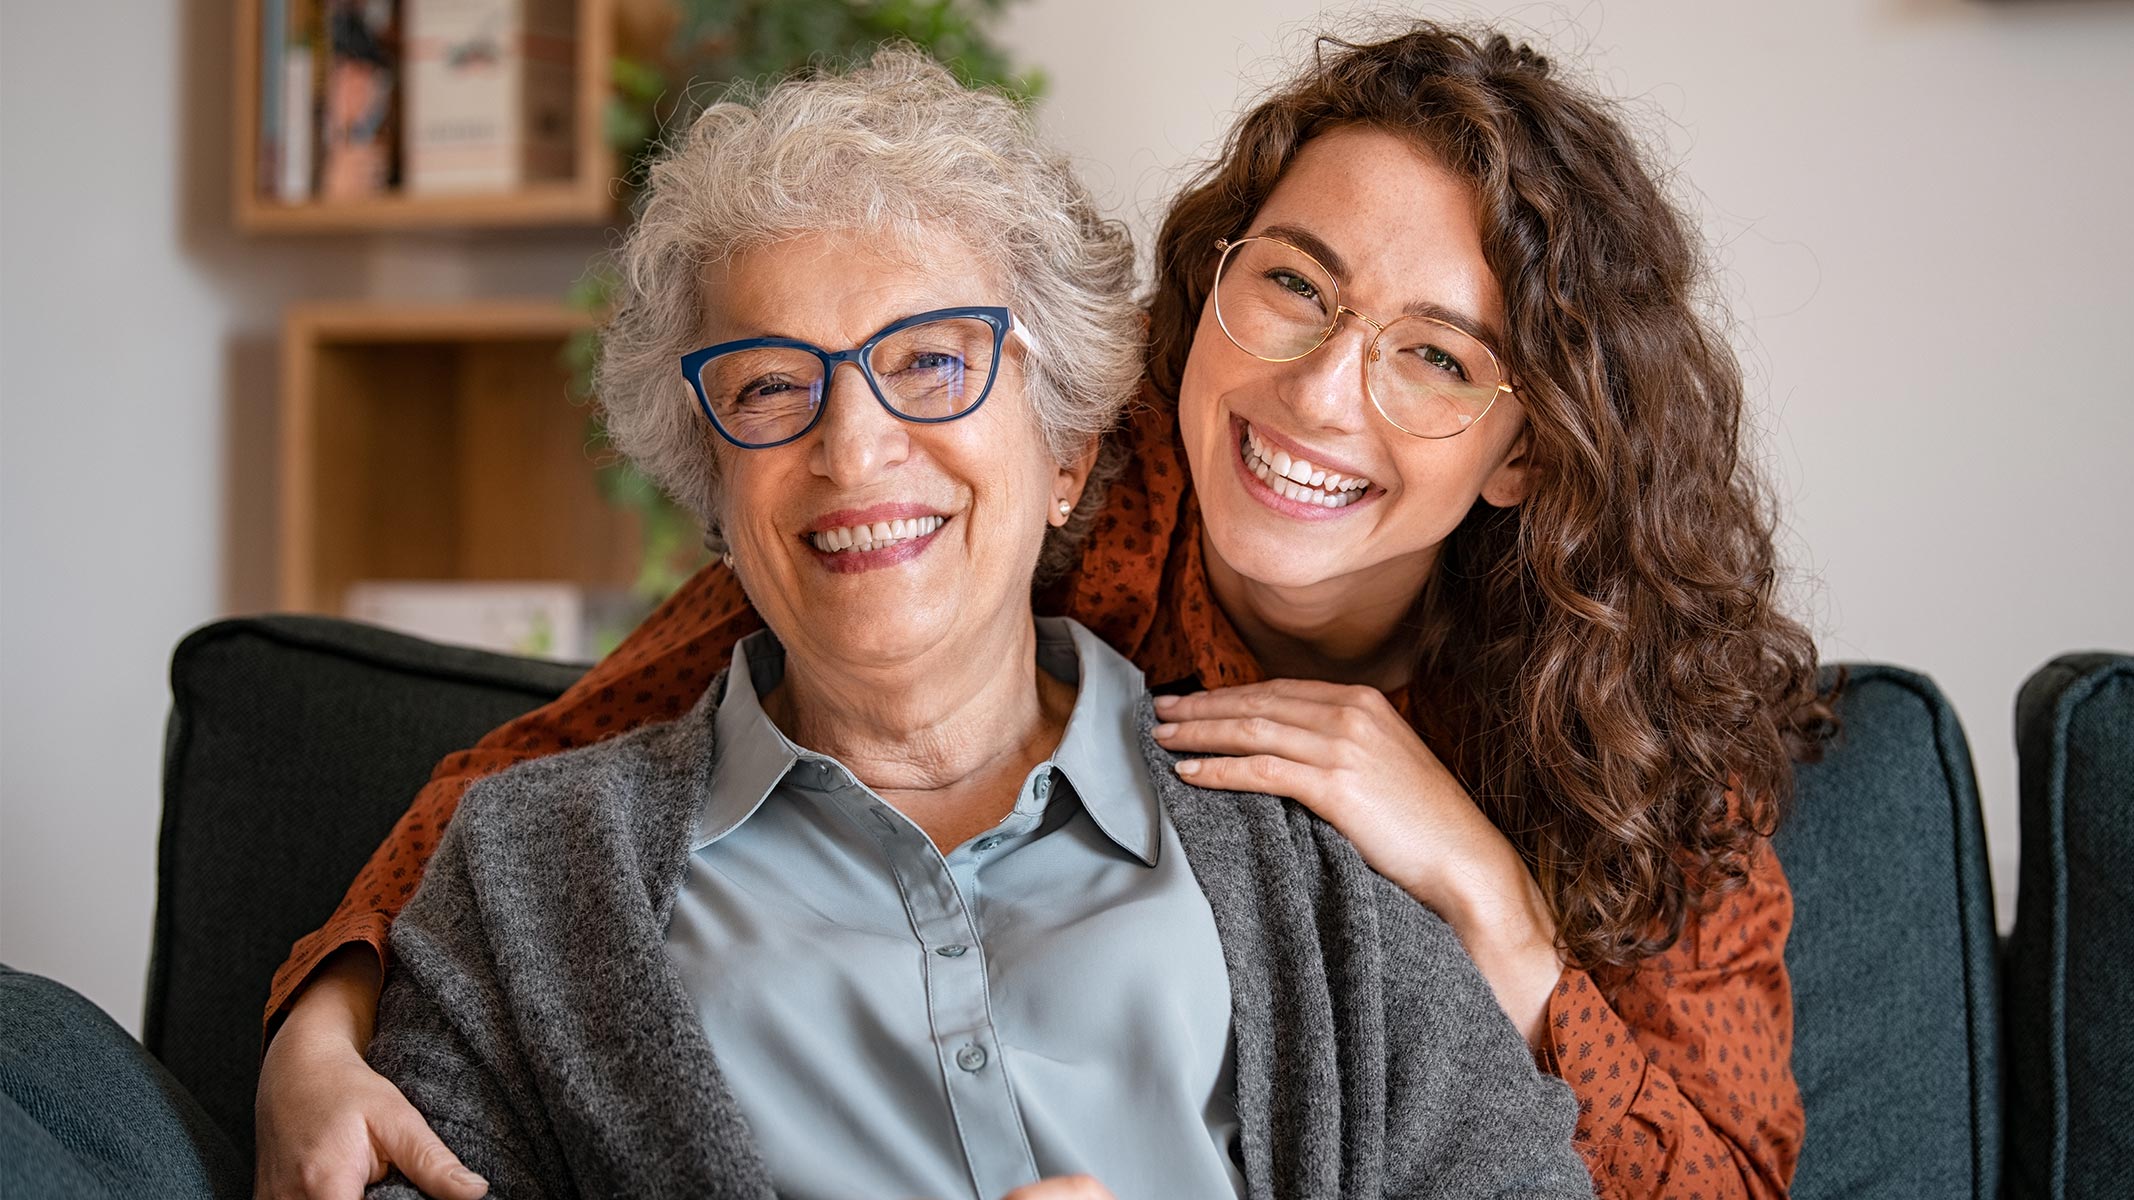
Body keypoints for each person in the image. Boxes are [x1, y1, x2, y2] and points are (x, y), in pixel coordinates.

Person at [258, 23, 1830, 1200]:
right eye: (1292, 284)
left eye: (1434, 355)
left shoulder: (1628, 724)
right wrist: (322, 1018)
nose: (1315, 396)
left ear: (1523, 446)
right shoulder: (1041, 483)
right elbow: (544, 782)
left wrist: (1488, 903)